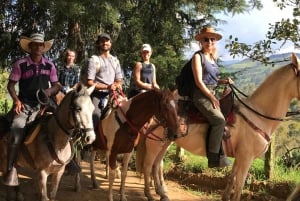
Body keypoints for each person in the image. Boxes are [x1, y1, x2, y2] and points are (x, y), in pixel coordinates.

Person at [3, 33, 62, 186]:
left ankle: (70, 161)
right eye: (34, 44)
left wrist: (49, 92)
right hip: (25, 104)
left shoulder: (50, 65)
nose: (38, 47)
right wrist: (16, 101)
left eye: (40, 44)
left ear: (44, 47)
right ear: (30, 47)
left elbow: (56, 85)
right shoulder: (20, 64)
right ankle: (11, 169)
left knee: (66, 123)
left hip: (45, 103)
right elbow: (10, 85)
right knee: (16, 130)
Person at [191, 26, 233, 168]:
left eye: (212, 39)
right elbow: (199, 81)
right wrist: (211, 97)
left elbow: (213, 79)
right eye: (206, 39)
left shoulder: (212, 58)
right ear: (201, 42)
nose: (209, 42)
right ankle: (214, 158)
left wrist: (223, 81)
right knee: (220, 121)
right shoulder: (198, 57)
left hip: (211, 93)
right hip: (201, 95)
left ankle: (221, 153)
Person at [86, 33, 123, 130]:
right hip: (98, 95)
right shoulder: (94, 60)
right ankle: (88, 143)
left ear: (110, 43)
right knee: (95, 116)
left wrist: (118, 84)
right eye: (102, 41)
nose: (105, 43)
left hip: (113, 94)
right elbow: (90, 82)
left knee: (127, 111)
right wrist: (107, 87)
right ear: (99, 44)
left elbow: (119, 79)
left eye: (107, 41)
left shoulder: (115, 61)